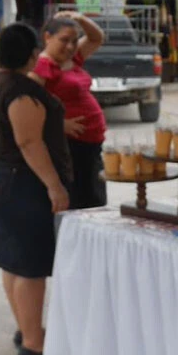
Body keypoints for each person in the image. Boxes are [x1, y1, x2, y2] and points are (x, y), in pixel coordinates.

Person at [0, 23, 72, 355]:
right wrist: (54, 185)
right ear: (30, 54)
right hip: (20, 183)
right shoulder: (19, 91)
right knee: (30, 265)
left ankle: (26, 328)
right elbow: (29, 142)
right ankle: (34, 342)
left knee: (13, 262)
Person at [31, 11, 107, 209]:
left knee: (95, 203)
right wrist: (59, 124)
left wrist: (79, 18)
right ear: (47, 37)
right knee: (82, 204)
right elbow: (28, 106)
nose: (71, 46)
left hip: (90, 147)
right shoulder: (43, 66)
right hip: (71, 148)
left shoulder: (71, 59)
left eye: (74, 41)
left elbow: (96, 38)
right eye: (64, 40)